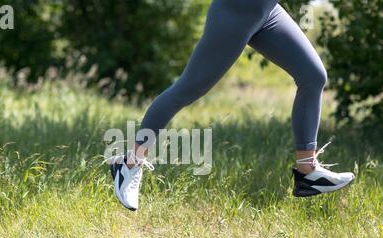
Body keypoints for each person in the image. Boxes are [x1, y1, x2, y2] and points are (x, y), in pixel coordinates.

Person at [109, 0, 354, 211]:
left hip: (267, 11)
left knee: (313, 76)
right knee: (185, 91)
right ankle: (129, 164)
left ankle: (307, 172)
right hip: (236, 10)